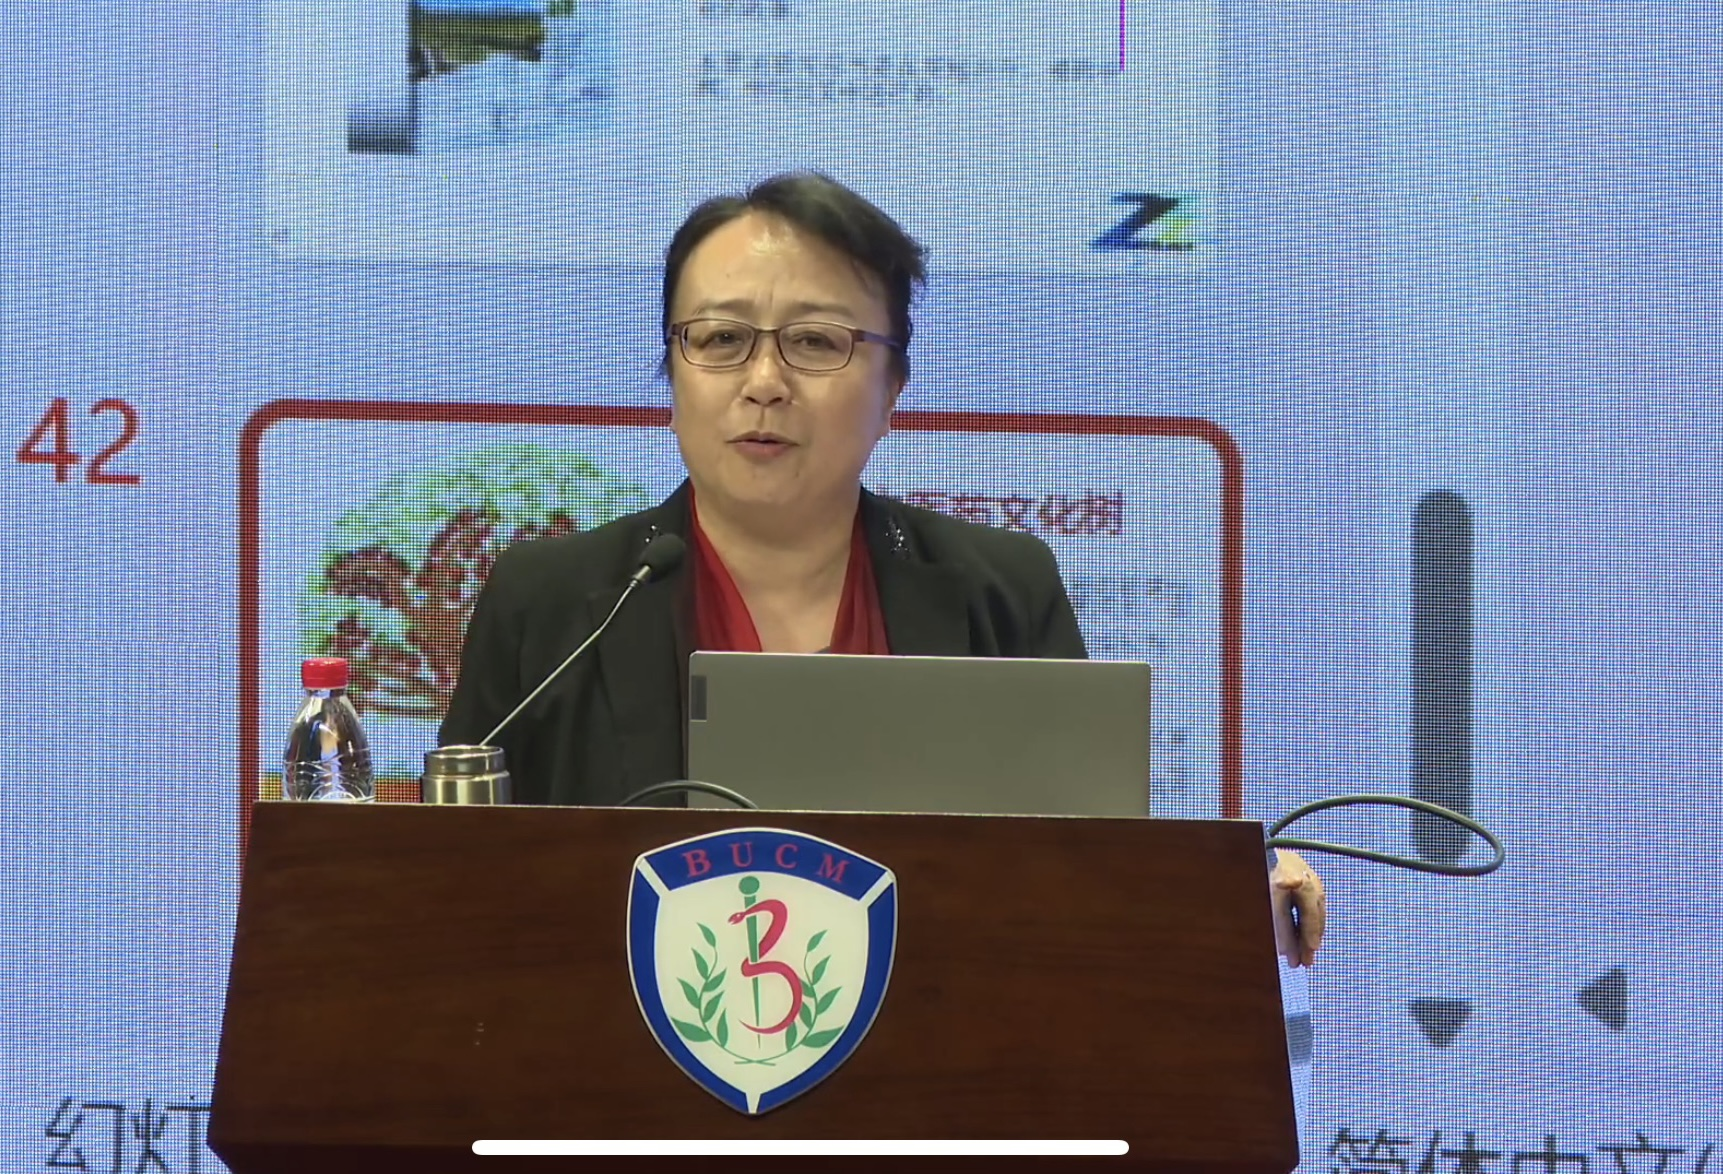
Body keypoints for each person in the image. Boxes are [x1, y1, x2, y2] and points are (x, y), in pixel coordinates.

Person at [438, 170, 1326, 967]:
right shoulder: (552, 604)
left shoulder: (997, 592)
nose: (763, 382)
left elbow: (1089, 882)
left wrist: (1223, 904)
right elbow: (446, 885)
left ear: (893, 388)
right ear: (672, 375)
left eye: (815, 343)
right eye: (720, 338)